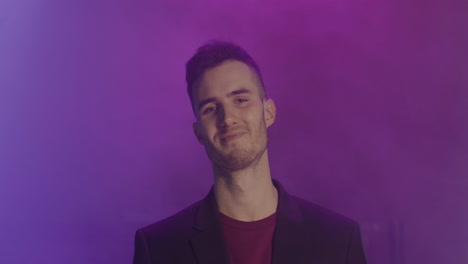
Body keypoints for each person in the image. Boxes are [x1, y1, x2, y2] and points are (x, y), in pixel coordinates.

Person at [133, 41, 367, 264]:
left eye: (241, 99)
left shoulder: (337, 240)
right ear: (198, 133)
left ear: (269, 112)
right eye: (211, 108)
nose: (228, 118)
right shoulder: (159, 248)